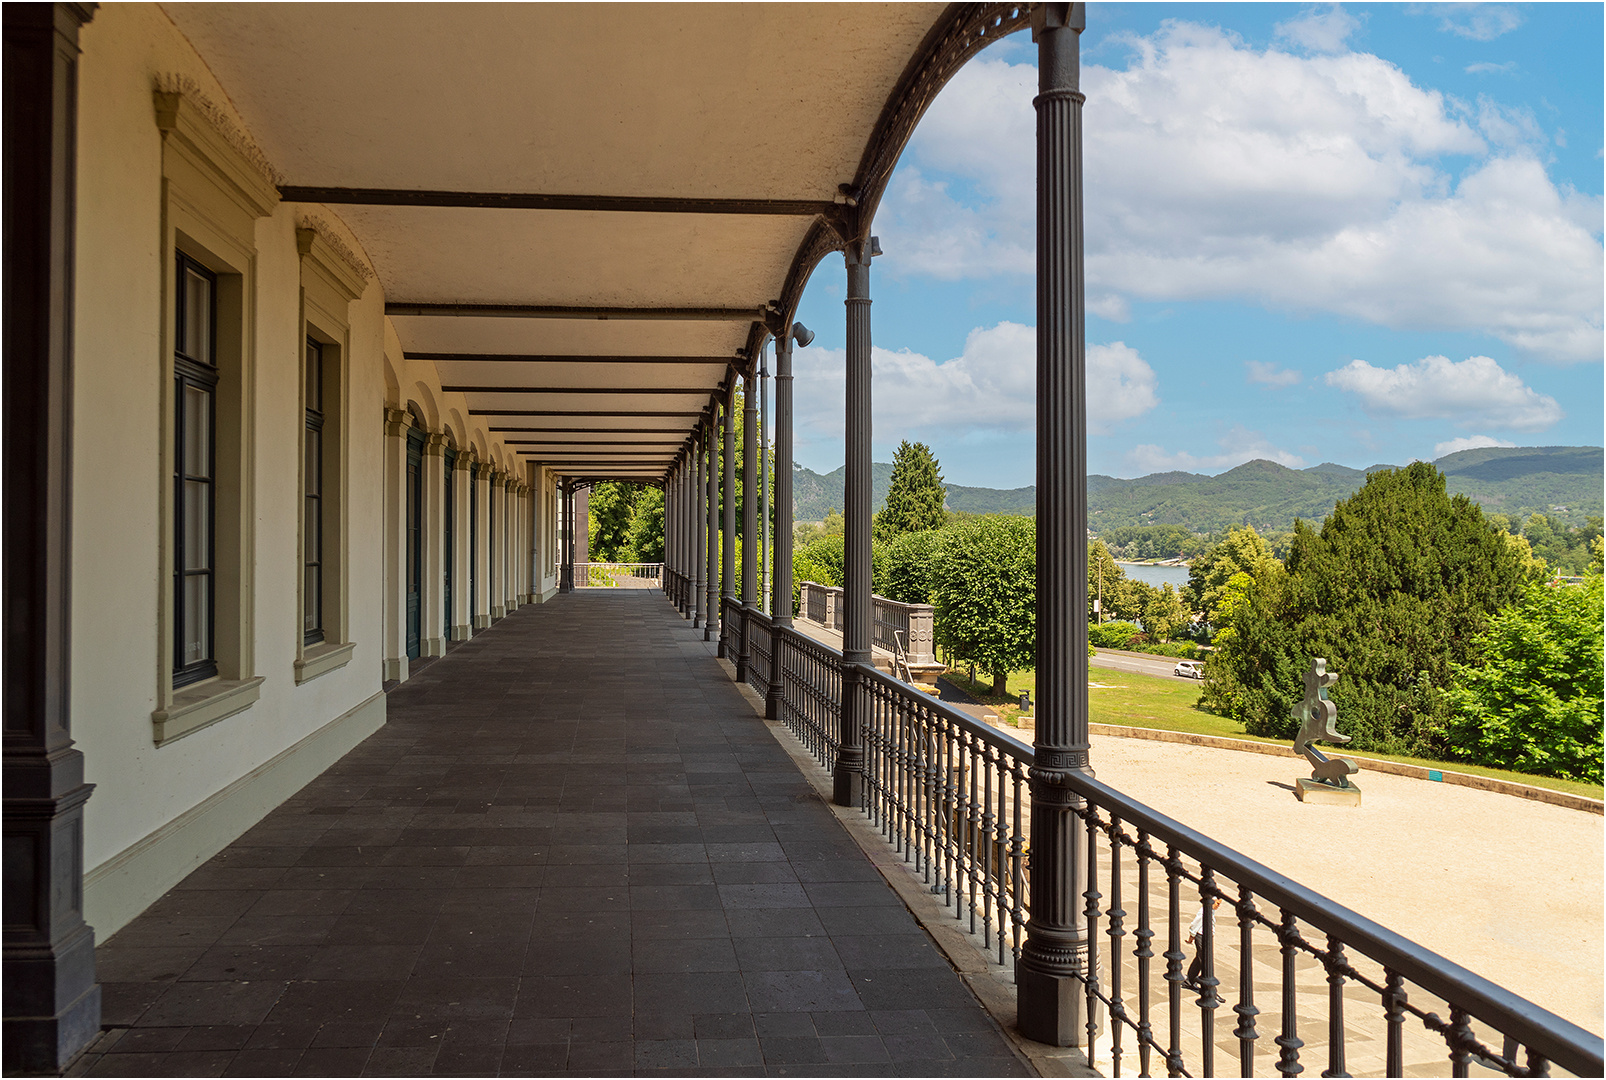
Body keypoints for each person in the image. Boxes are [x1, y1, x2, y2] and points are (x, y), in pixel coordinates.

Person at [1184, 896, 1221, 990]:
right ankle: (1208, 987)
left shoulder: (1211, 911)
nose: (1218, 906)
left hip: (1207, 937)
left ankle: (1190, 980)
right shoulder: (1204, 911)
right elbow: (1196, 923)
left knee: (1199, 959)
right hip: (1201, 936)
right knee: (1205, 960)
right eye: (1217, 903)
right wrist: (1191, 936)